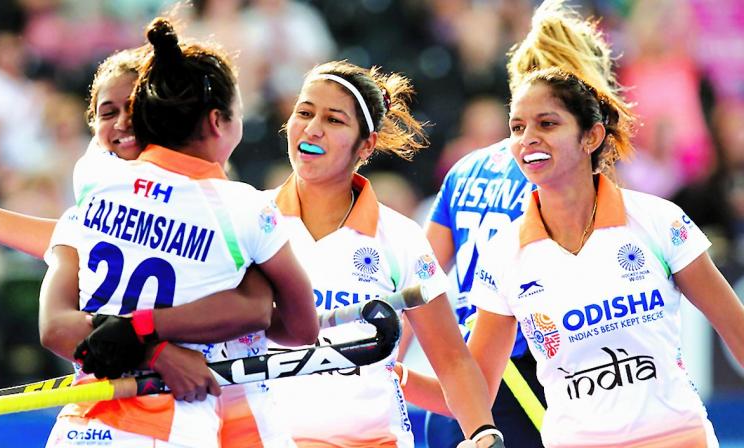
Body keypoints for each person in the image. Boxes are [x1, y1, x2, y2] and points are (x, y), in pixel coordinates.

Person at [42, 18, 319, 447]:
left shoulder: (93, 182)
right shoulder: (244, 209)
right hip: (171, 424)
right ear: (217, 121)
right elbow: (299, 326)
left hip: (80, 423)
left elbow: (56, 327)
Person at [470, 65, 744, 447]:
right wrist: (391, 373)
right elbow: (469, 387)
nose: (527, 139)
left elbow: (739, 331)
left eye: (547, 124)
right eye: (517, 128)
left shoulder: (657, 219)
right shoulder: (503, 253)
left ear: (591, 137)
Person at [400, 1, 612, 446]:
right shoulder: (561, 176)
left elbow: (416, 281)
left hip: (463, 382)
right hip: (539, 377)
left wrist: (387, 365)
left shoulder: (467, 169)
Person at [258, 60, 500, 448]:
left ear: (366, 145)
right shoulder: (250, 220)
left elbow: (453, 361)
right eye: (304, 112)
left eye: (334, 120)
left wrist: (484, 433)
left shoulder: (401, 237)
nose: (312, 127)